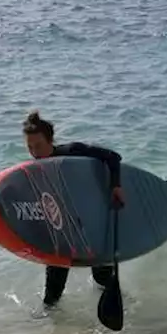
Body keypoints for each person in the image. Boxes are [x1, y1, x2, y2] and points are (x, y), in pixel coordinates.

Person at [21, 110, 126, 313]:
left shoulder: (71, 152)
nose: (34, 152)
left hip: (91, 227)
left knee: (103, 279)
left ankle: (121, 316)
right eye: (30, 147)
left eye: (39, 146)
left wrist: (116, 186)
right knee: (52, 296)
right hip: (61, 232)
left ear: (50, 140)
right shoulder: (31, 171)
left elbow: (113, 157)